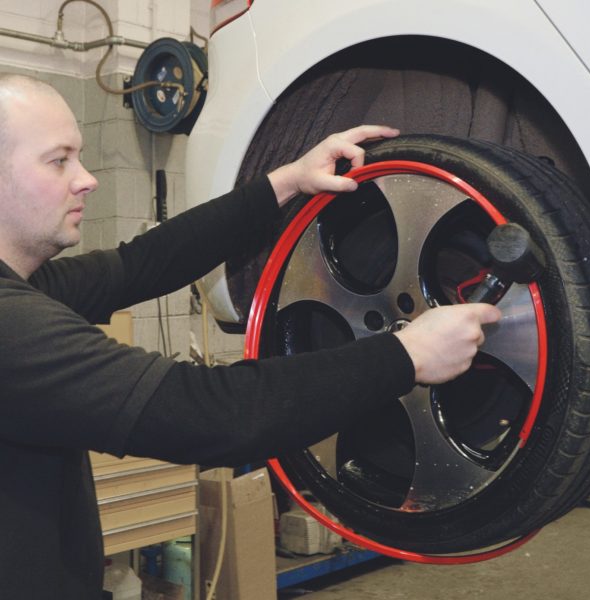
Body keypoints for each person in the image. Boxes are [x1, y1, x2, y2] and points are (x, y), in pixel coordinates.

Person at [0, 73, 501, 598]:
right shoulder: (10, 326)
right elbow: (208, 412)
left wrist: (284, 183)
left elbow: (138, 264)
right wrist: (406, 355)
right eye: (59, 160)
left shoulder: (29, 288)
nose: (87, 179)